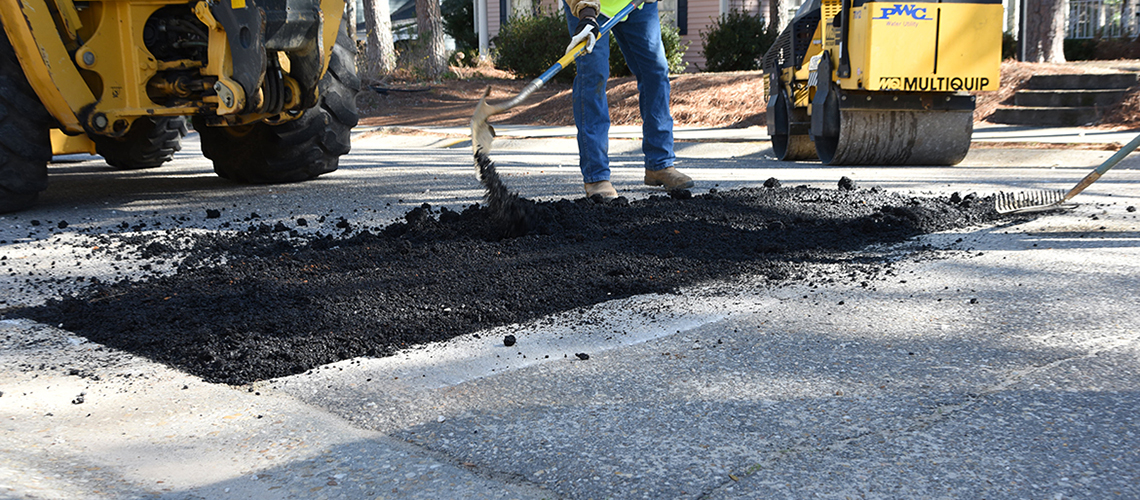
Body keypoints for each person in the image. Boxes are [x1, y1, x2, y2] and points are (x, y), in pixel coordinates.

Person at [564, 0, 693, 200]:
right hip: (588, 6)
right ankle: (596, 176)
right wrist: (586, 13)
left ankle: (660, 164)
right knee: (593, 76)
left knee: (655, 72)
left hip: (636, 3)